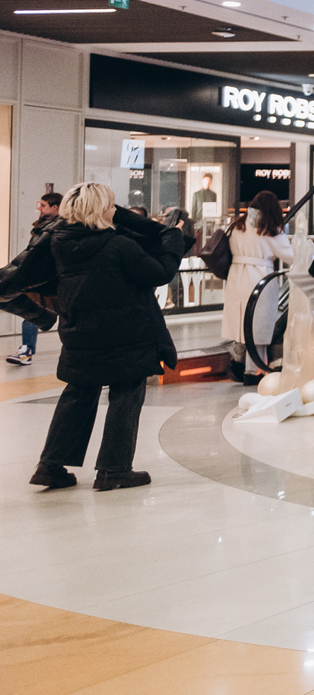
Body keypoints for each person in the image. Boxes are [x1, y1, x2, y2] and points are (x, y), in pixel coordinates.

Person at [28, 184, 183, 492]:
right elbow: (159, 272)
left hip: (80, 333)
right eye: (111, 206)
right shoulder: (118, 245)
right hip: (126, 334)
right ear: (100, 210)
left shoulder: (59, 243)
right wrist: (173, 237)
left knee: (78, 394)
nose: (115, 211)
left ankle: (50, 466)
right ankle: (114, 469)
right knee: (126, 394)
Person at [223, 191, 293, 383]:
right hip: (260, 279)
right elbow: (291, 255)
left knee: (242, 325)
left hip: (236, 277)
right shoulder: (269, 229)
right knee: (259, 329)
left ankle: (238, 364)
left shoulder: (238, 225)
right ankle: (254, 372)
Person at [5, 192, 60, 366]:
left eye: (43, 205)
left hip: (54, 281)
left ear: (55, 207)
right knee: (33, 310)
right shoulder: (41, 225)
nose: (40, 208)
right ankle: (27, 350)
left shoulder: (60, 227)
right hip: (36, 277)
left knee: (65, 316)